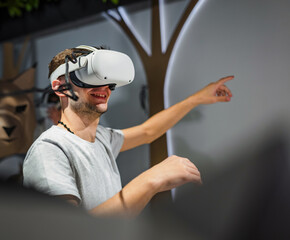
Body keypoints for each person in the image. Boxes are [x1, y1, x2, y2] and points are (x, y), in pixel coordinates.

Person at [23, 46, 234, 217]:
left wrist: (197, 98)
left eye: (107, 79)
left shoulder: (102, 138)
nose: (104, 87)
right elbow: (67, 231)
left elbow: (148, 131)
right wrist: (150, 180)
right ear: (61, 88)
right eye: (90, 76)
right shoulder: (50, 150)